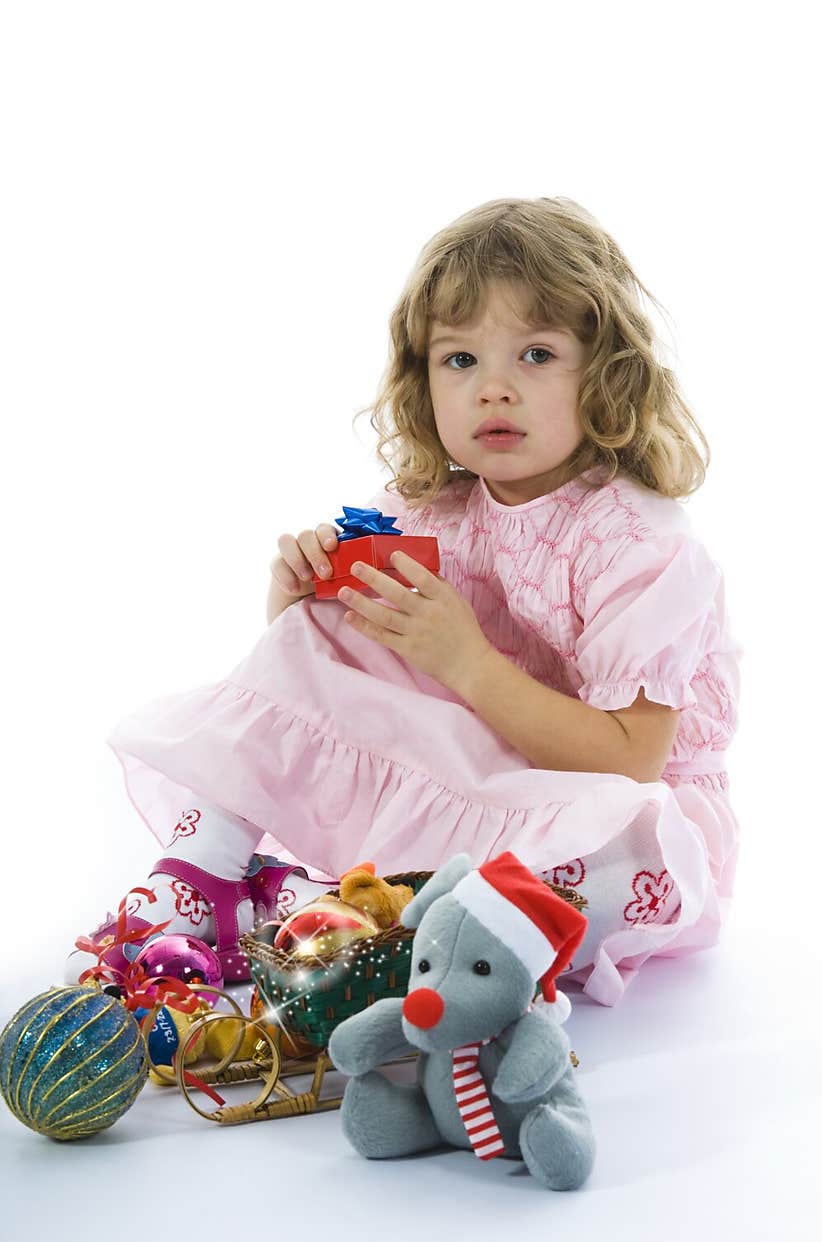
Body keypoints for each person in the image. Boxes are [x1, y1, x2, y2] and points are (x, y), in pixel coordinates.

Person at [75, 196, 741, 1008]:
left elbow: (632, 760)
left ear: (604, 374)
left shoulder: (640, 546)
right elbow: (347, 687)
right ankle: (206, 875)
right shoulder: (434, 511)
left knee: (632, 857)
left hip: (602, 805)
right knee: (325, 625)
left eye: (535, 354)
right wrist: (297, 607)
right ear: (422, 381)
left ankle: (391, 932)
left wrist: (466, 660)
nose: (494, 389)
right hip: (492, 778)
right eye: (460, 361)